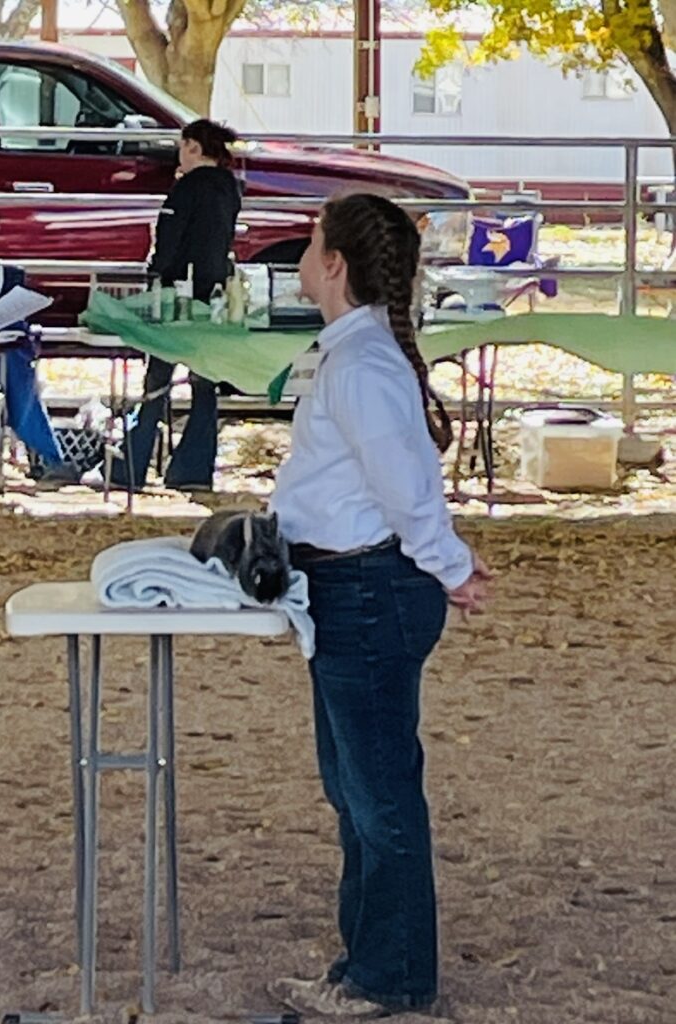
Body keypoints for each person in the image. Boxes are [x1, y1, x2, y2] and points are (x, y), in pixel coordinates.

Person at [267, 194, 492, 1018]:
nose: (303, 252)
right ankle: (366, 959)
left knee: (377, 793)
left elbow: (406, 490)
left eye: (313, 241)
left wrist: (449, 566)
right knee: (357, 787)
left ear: (334, 265)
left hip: (366, 587)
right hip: (349, 585)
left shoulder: (360, 365)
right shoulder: (355, 356)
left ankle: (388, 973)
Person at [111, 118, 242, 491]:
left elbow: (168, 242)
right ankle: (194, 468)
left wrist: (153, 275)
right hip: (213, 294)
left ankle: (132, 463)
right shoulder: (230, 190)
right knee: (204, 382)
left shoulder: (186, 191)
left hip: (175, 293)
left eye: (182, 147)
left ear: (194, 148)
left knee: (157, 379)